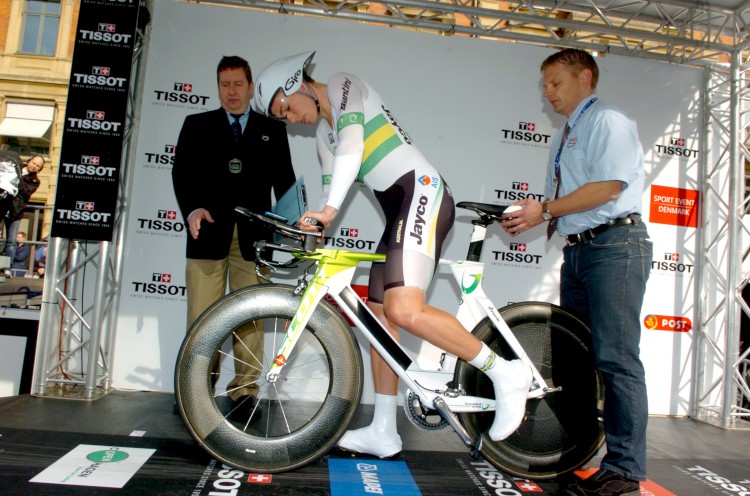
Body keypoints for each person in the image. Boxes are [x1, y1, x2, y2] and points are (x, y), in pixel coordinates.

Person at [251, 51, 532, 458]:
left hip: (422, 193)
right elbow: (332, 190)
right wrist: (315, 221)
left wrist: (329, 211)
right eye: (283, 118)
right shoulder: (323, 136)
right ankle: (384, 430)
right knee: (379, 319)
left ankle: (505, 373)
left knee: (404, 309)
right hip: (400, 211)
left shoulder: (342, 84)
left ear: (296, 83)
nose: (290, 119)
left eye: (286, 108)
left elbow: (353, 145)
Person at [499, 48, 652, 496]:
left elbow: (608, 187)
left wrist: (545, 209)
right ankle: (575, 454)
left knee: (617, 359)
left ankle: (625, 471)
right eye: (544, 85)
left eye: (556, 83)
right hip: (582, 250)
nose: (548, 93)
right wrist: (532, 216)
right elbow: (567, 200)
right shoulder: (565, 134)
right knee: (577, 360)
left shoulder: (607, 121)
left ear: (584, 78)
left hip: (615, 246)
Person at [172, 55, 296, 408]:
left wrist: (292, 223)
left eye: (238, 84)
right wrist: (192, 209)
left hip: (255, 239)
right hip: (206, 234)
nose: (231, 91)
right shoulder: (196, 124)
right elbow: (181, 174)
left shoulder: (272, 129)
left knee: (250, 319)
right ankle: (195, 390)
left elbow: (285, 183)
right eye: (224, 84)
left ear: (250, 86)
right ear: (217, 87)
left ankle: (245, 391)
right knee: (201, 319)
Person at [2, 154, 43, 263]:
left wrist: (17, 178)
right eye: (34, 163)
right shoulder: (14, 167)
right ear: (29, 161)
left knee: (11, 241)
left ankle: (7, 266)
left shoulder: (35, 181)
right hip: (2, 205)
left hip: (15, 211)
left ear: (40, 169)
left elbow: (25, 192)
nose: (34, 166)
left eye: (38, 166)